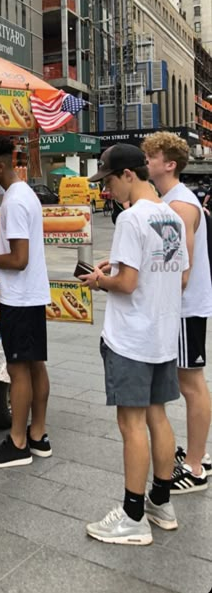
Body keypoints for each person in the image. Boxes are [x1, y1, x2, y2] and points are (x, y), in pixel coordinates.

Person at [80, 144, 188, 545]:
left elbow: (126, 284)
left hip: (131, 337)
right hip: (162, 335)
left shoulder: (131, 218)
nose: (107, 190)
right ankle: (162, 502)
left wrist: (100, 279)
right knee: (158, 416)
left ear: (128, 175)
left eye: (108, 181)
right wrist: (118, 268)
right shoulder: (170, 216)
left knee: (131, 424)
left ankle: (132, 515)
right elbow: (176, 274)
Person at [0, 135, 52, 469]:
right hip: (31, 295)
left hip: (20, 297)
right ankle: (38, 435)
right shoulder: (24, 194)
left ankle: (18, 443)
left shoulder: (14, 201)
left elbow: (19, 259)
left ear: (1, 165)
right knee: (34, 365)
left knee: (18, 370)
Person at [142, 132, 212, 492]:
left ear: (169, 164)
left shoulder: (180, 205)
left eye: (151, 156)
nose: (146, 161)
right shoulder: (170, 200)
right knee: (188, 381)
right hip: (181, 308)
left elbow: (179, 268)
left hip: (184, 310)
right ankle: (195, 456)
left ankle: (197, 466)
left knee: (191, 382)